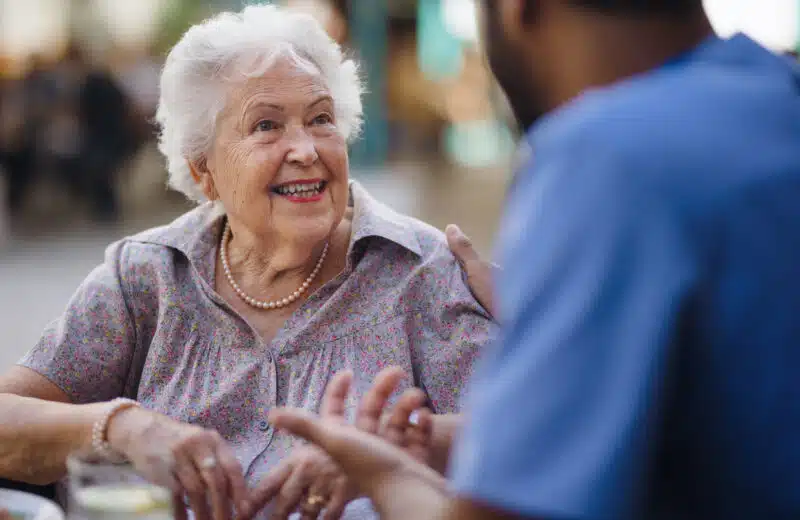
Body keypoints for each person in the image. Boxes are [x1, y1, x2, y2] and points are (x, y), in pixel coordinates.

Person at [266, 0, 800, 519]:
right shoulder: (778, 96)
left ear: (518, 8)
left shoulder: (605, 158)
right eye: (266, 127)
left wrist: (384, 473)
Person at [0, 5, 497, 520]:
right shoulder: (145, 277)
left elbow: (531, 435)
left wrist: (394, 453)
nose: (305, 149)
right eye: (266, 126)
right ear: (204, 171)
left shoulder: (420, 269)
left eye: (321, 118)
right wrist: (121, 426)